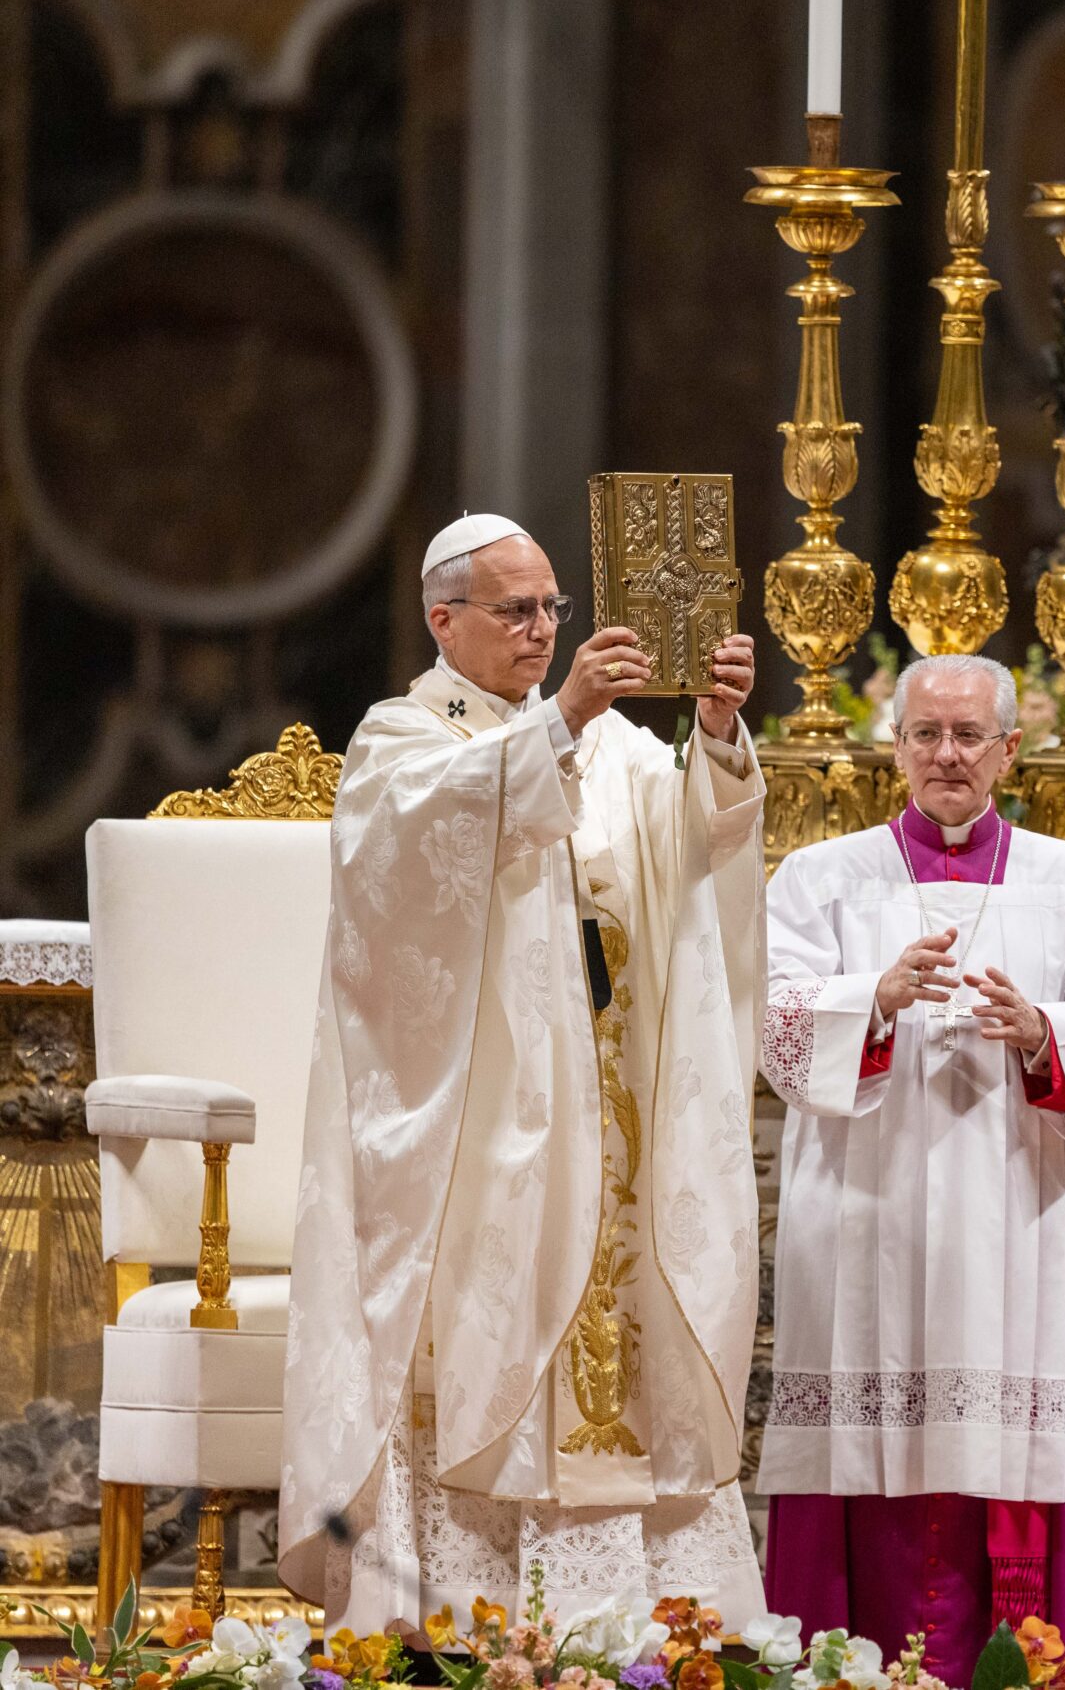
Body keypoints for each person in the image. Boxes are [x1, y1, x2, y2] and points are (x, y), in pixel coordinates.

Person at [280, 512, 768, 1627]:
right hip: (483, 1121)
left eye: (553, 606)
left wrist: (716, 735)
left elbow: (699, 851)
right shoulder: (402, 737)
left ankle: (648, 1611)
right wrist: (561, 720)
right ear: (443, 619)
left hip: (615, 1105)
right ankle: (461, 1607)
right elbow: (406, 866)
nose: (542, 628)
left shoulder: (617, 746)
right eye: (516, 610)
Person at [758, 654, 1065, 1681]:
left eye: (968, 735)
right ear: (896, 746)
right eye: (926, 734)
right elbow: (770, 1023)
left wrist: (1043, 1031)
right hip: (864, 1212)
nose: (947, 755)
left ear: (1009, 749)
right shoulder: (819, 877)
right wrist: (871, 1000)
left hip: (1012, 1214)